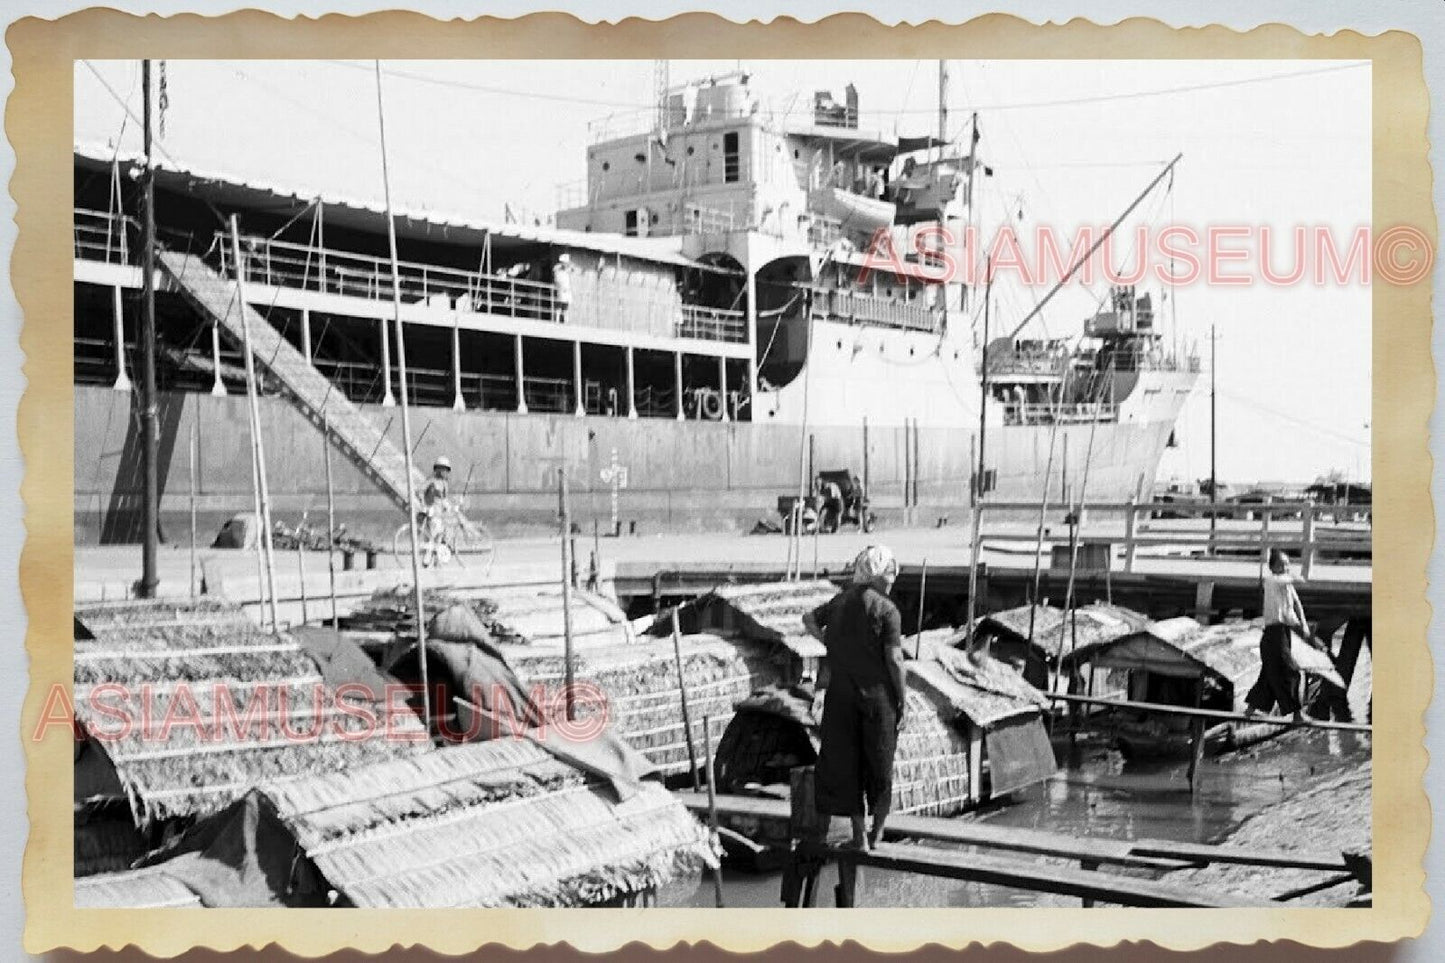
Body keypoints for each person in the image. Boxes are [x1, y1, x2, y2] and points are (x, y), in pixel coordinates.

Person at [802, 545, 907, 850]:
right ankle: (878, 833)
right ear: (879, 576)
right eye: (889, 574)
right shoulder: (887, 610)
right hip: (877, 700)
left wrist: (831, 643)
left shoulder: (839, 602)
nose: (892, 580)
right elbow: (895, 660)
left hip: (841, 697)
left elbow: (808, 619)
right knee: (880, 763)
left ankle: (859, 835)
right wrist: (903, 700)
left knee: (848, 765)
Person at [1244, 548, 1312, 723]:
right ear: (1272, 568)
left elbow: (1296, 604)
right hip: (1274, 634)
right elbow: (1292, 579)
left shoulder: (1286, 585)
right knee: (1291, 671)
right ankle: (1297, 714)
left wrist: (1303, 625)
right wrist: (1300, 574)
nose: (1285, 567)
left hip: (1283, 633)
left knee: (1268, 675)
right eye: (1281, 565)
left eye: (1287, 564)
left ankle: (1248, 712)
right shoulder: (1272, 581)